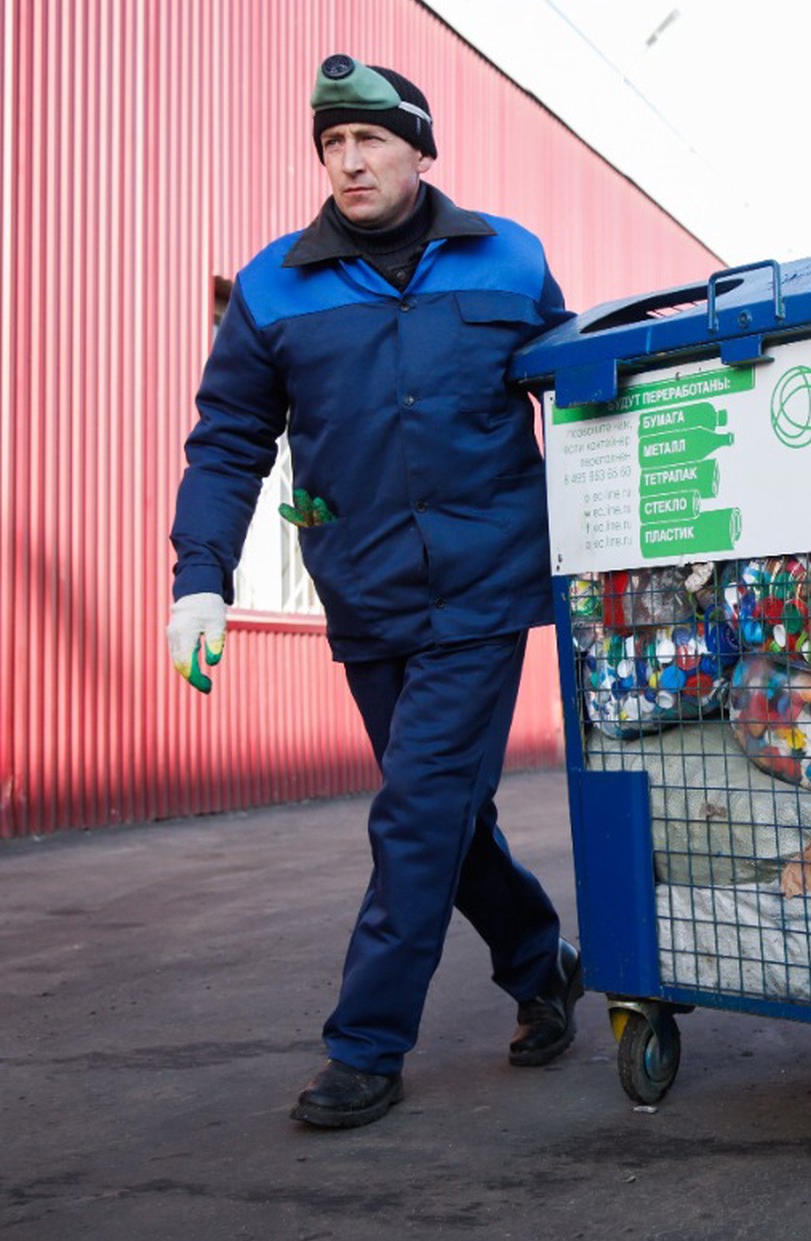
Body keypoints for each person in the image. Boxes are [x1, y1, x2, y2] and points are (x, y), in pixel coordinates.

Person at [166, 55, 583, 1129]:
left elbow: (580, 402)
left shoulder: (509, 261)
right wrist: (201, 580)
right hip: (366, 592)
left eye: (369, 140)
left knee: (414, 813)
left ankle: (366, 1045)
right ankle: (543, 966)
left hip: (486, 587)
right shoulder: (272, 287)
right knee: (446, 814)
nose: (347, 161)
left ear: (418, 150)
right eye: (330, 144)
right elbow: (228, 443)